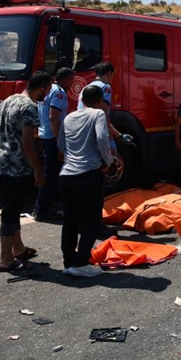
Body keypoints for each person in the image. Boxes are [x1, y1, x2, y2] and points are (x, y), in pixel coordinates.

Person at [0, 71, 52, 272]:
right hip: (16, 168)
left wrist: (4, 149)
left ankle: (18, 249)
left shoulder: (9, 100)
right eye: (47, 90)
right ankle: (5, 260)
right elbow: (28, 143)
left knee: (12, 208)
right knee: (10, 212)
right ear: (41, 88)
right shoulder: (30, 108)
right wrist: (38, 170)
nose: (47, 94)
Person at [58, 85, 114, 277]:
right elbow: (101, 138)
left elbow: (61, 143)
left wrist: (72, 157)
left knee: (70, 220)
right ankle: (81, 263)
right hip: (89, 173)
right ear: (99, 101)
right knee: (91, 221)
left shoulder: (69, 117)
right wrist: (107, 161)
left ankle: (68, 262)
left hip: (67, 174)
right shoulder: (98, 114)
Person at [33, 67, 74, 221]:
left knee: (51, 173)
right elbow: (53, 117)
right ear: (65, 79)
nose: (72, 84)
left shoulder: (48, 90)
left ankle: (46, 204)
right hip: (52, 137)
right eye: (72, 80)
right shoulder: (59, 93)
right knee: (51, 174)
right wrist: (60, 142)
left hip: (45, 134)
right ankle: (41, 209)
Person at [78, 62, 121, 153]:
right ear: (109, 74)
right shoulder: (105, 87)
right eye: (112, 76)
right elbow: (103, 116)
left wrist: (118, 134)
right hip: (95, 133)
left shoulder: (85, 88)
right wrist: (111, 141)